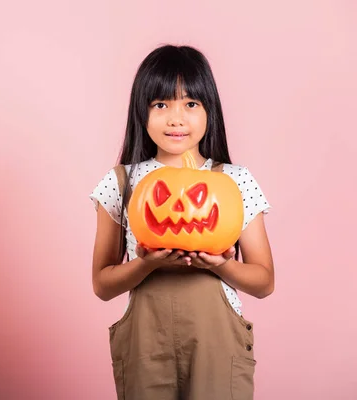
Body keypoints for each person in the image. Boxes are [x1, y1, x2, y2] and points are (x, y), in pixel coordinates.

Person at [89, 45, 274, 400]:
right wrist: (145, 263)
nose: (176, 118)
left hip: (217, 343)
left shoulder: (234, 181)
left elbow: (264, 281)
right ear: (141, 112)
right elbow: (102, 284)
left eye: (191, 104)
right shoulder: (121, 182)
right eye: (161, 104)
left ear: (210, 111)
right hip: (146, 344)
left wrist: (222, 265)